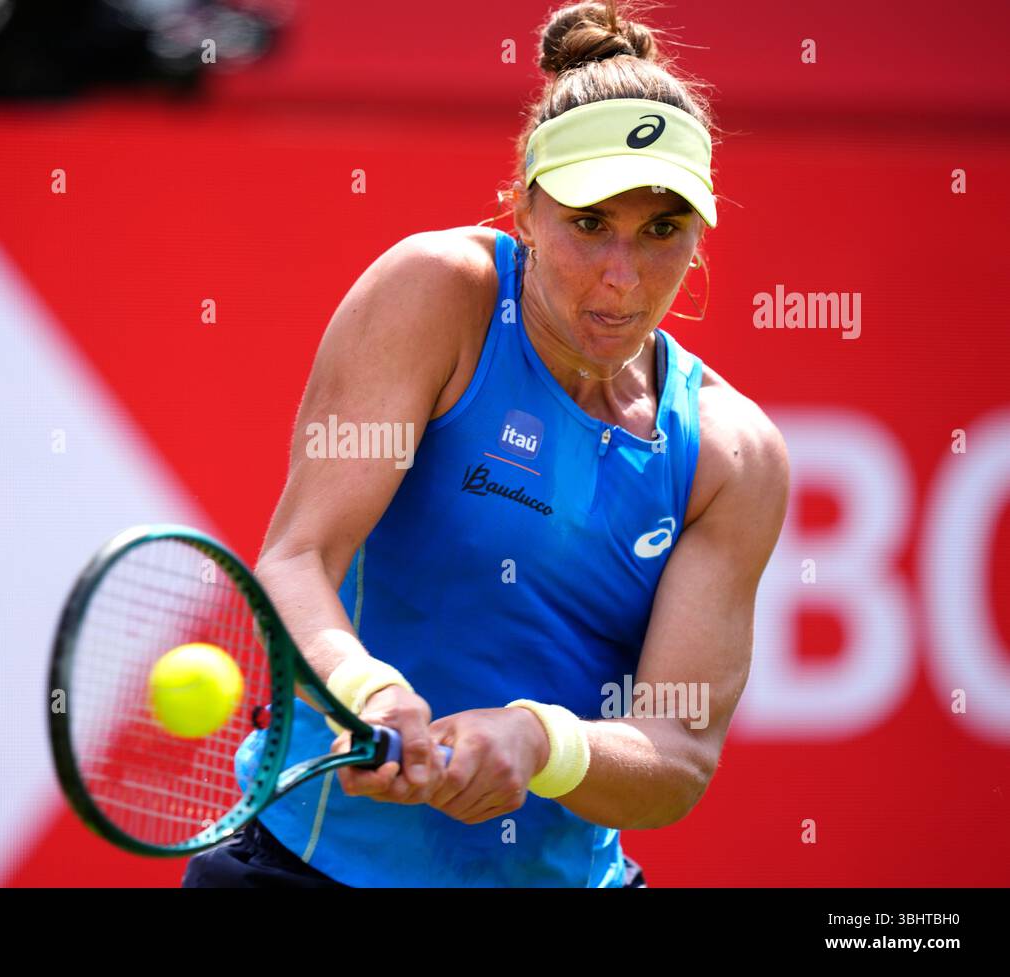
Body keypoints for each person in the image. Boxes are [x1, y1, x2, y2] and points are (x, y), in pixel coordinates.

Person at [183, 0, 788, 888]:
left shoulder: (735, 458)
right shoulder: (440, 296)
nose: (622, 276)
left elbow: (677, 756)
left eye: (661, 231)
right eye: (589, 223)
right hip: (306, 871)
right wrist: (370, 694)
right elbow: (298, 556)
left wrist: (542, 740)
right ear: (525, 206)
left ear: (699, 237)